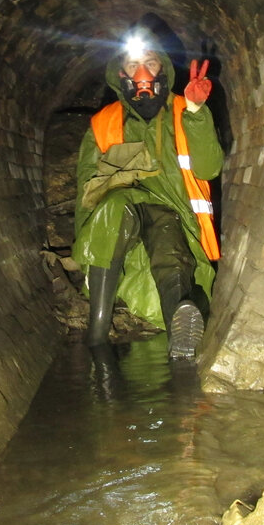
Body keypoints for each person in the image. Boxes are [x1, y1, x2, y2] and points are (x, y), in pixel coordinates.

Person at [72, 26, 223, 360]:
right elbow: (86, 188)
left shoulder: (187, 110)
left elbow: (209, 168)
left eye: (151, 63)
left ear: (163, 70)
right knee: (113, 207)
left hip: (173, 214)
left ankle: (180, 335)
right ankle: (97, 335)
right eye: (132, 64)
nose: (142, 73)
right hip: (120, 218)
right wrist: (87, 240)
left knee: (171, 253)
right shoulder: (104, 123)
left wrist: (198, 112)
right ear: (120, 73)